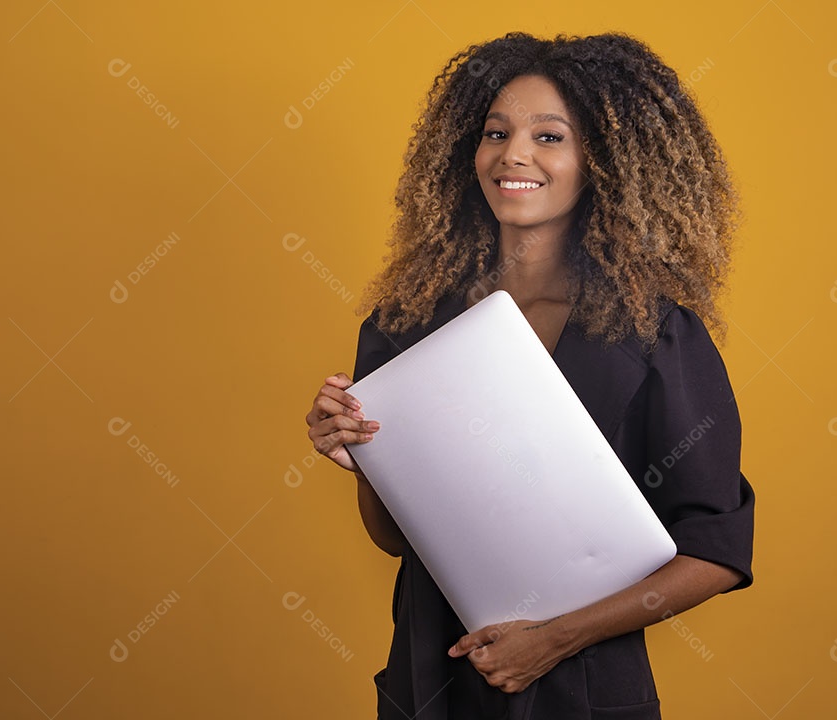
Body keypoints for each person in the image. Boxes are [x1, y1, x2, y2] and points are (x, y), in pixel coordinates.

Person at [305, 31, 755, 719]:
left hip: (582, 689)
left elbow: (715, 551)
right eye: (495, 132)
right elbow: (397, 540)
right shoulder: (406, 323)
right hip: (431, 681)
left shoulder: (656, 333)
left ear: (601, 161)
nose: (512, 154)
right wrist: (362, 455)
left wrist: (552, 640)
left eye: (550, 137)